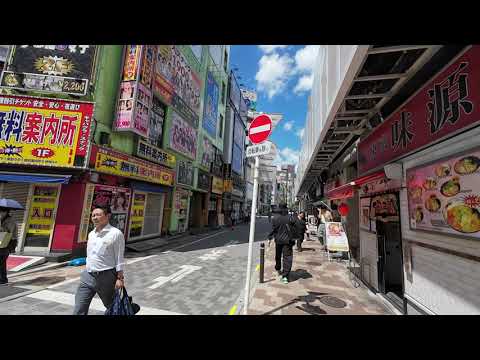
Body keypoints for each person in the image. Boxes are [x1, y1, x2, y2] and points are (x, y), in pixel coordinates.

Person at [73, 206, 126, 315]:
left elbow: (119, 257)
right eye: (93, 215)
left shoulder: (115, 233)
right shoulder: (91, 234)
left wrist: (119, 278)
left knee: (112, 306)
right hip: (88, 276)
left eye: (98, 215)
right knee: (79, 307)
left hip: (106, 276)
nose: (95, 217)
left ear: (108, 216)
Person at [268, 204, 296, 284]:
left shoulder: (275, 218)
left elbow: (273, 230)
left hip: (278, 240)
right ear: (286, 208)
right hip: (288, 241)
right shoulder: (290, 217)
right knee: (287, 258)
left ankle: (278, 268)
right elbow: (295, 227)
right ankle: (285, 276)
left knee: (278, 255)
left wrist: (270, 238)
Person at [0, 208, 17, 286]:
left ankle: (3, 279)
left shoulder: (11, 221)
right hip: (2, 242)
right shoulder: (2, 219)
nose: (1, 213)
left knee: (2, 261)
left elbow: (8, 232)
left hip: (7, 243)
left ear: (6, 212)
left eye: (2, 211)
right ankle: (3, 279)